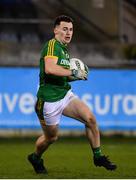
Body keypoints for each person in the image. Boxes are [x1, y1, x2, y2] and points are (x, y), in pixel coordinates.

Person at [27, 15, 117, 174]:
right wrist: (73, 70)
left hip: (64, 93)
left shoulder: (63, 49)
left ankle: (98, 156)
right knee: (51, 138)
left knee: (90, 119)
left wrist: (76, 76)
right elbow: (50, 69)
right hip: (48, 100)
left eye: (71, 29)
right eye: (64, 29)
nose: (68, 33)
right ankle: (35, 157)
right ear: (55, 30)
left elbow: (62, 74)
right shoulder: (52, 45)